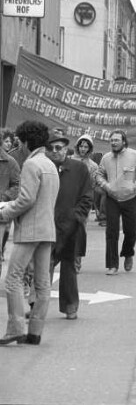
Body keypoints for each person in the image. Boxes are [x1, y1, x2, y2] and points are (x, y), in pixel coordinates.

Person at [0, 121, 59, 345]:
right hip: (47, 229)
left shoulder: (31, 164)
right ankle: (34, 332)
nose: (19, 146)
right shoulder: (51, 164)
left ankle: (15, 327)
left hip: (30, 229)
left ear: (25, 142)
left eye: (19, 142)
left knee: (13, 279)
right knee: (42, 283)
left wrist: (5, 212)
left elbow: (26, 199)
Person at [46, 130, 92, 319]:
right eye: (51, 148)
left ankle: (70, 306)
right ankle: (36, 306)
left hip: (71, 227)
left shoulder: (79, 169)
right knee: (43, 268)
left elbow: (87, 197)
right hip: (47, 226)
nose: (56, 151)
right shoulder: (44, 168)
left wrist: (76, 217)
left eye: (59, 147)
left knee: (68, 267)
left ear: (66, 149)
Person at [96, 129, 136, 275]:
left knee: (130, 232)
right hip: (112, 199)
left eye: (116, 140)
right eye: (112, 140)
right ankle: (112, 265)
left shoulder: (135, 155)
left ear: (124, 141)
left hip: (130, 198)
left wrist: (135, 186)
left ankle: (128, 253)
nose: (113, 143)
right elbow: (99, 175)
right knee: (111, 232)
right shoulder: (106, 158)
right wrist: (107, 186)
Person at [71, 134, 98, 273]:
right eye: (81, 146)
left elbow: (92, 185)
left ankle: (77, 262)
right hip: (68, 201)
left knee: (79, 232)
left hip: (83, 203)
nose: (83, 149)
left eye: (86, 147)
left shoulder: (93, 166)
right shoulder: (68, 161)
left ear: (90, 149)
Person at [0, 129, 20, 264]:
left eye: (9, 141)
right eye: (5, 141)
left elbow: (17, 185)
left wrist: (3, 197)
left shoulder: (11, 162)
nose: (8, 144)